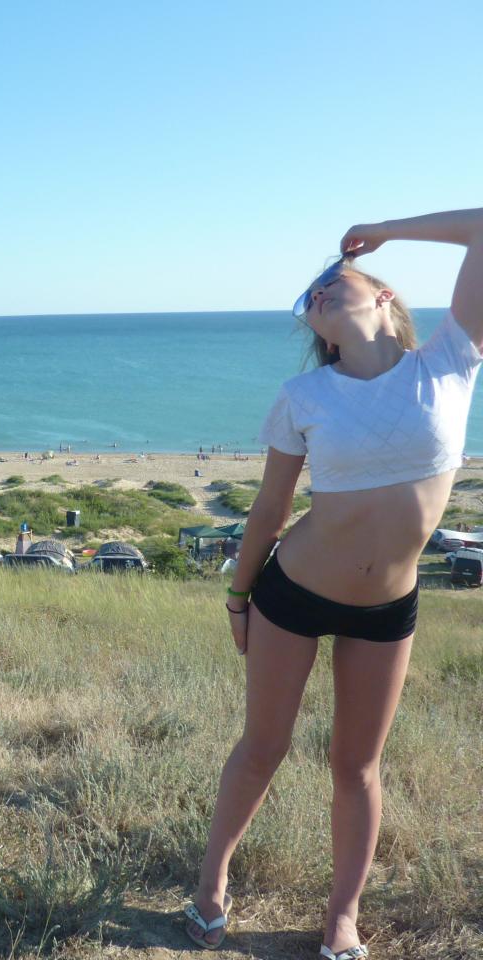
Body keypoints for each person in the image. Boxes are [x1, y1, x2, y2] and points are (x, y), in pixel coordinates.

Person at [185, 209, 483, 957]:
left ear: (383, 294)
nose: (317, 292)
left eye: (332, 280)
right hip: (291, 592)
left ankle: (342, 915)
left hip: (387, 609)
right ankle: (212, 881)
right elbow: (271, 509)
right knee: (263, 748)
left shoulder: (450, 360)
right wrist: (238, 596)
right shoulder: (304, 395)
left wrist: (385, 229)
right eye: (309, 294)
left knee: (356, 766)